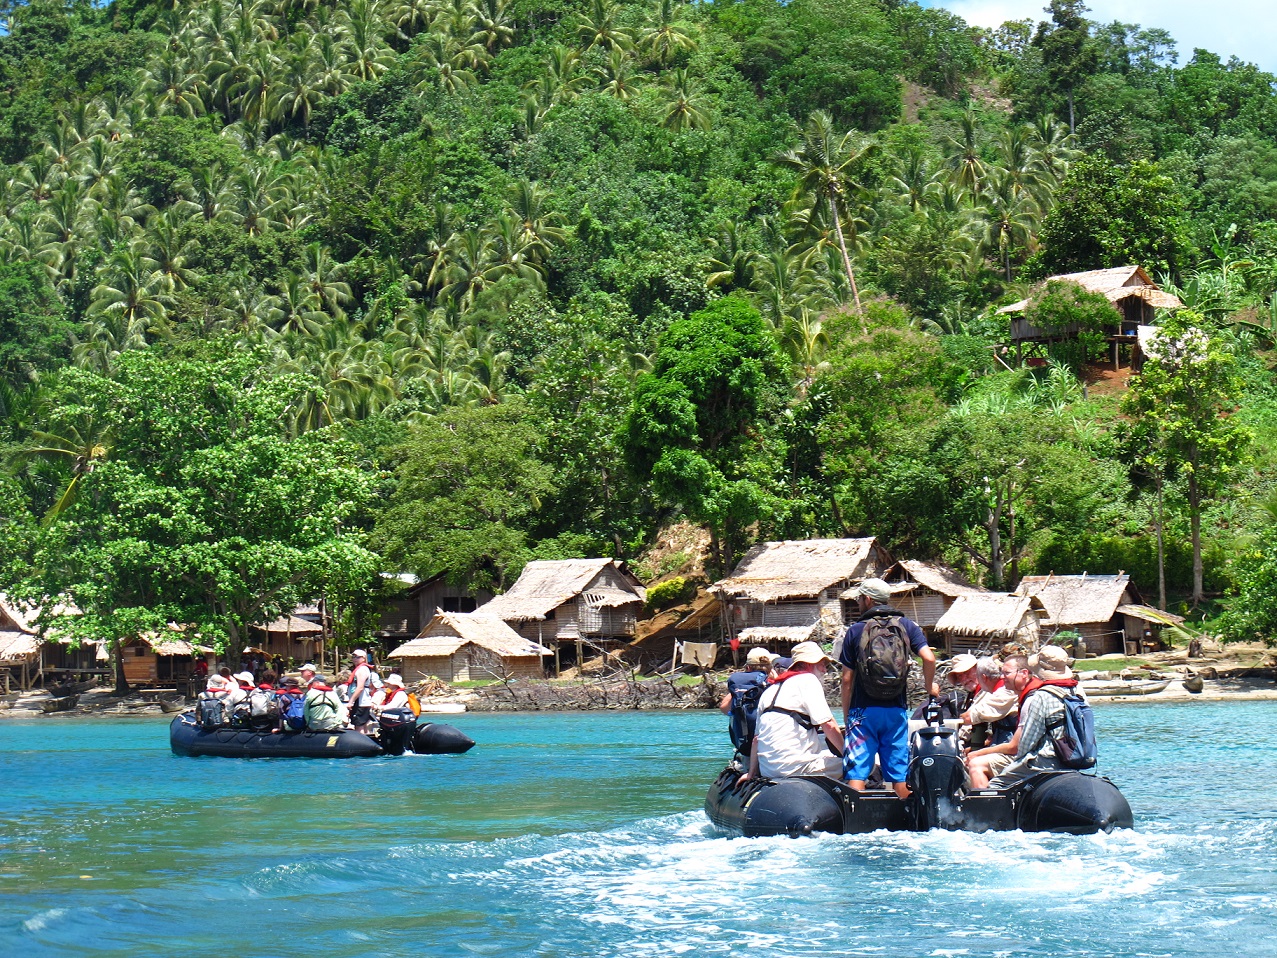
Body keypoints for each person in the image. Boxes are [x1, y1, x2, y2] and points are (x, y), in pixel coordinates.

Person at [839, 577, 938, 799]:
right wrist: (929, 686)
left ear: (867, 599)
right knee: (899, 775)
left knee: (857, 773)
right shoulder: (907, 626)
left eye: (858, 599)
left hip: (862, 712)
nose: (857, 603)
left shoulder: (855, 631)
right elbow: (929, 658)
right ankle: (907, 819)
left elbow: (847, 680)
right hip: (896, 711)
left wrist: (848, 717)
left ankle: (857, 821)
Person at [737, 642, 845, 783]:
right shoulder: (808, 680)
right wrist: (848, 755)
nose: (825, 670)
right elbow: (828, 724)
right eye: (823, 664)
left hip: (768, 770)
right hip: (796, 768)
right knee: (866, 761)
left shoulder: (769, 690)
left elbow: (756, 739)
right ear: (809, 664)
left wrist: (751, 773)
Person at [989, 646, 1082, 787]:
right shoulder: (1077, 690)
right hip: (1073, 757)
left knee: (997, 784)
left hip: (1047, 760)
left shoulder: (1041, 696)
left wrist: (1018, 761)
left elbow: (1027, 741)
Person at [718, 647, 772, 757]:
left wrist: (737, 691)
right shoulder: (773, 683)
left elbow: (724, 708)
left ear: (747, 667)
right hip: (769, 747)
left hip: (746, 747)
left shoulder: (739, 684)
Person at [961, 656, 1019, 751]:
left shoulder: (1005, 692)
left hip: (1012, 747)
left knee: (975, 762)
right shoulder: (999, 689)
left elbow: (969, 717)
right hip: (1002, 742)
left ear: (984, 678)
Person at [345, 649, 376, 734]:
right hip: (362, 702)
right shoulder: (361, 669)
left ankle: (361, 746)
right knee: (363, 725)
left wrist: (351, 701)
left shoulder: (361, 670)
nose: (355, 659)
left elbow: (360, 688)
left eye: (357, 657)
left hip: (360, 702)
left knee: (359, 726)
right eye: (353, 657)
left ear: (363, 658)